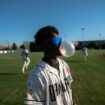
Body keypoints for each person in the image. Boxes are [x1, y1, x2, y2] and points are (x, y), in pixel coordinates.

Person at [24, 25, 74, 105]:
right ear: (45, 45)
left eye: (60, 39)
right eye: (57, 40)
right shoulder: (37, 76)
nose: (61, 43)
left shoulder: (64, 64)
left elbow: (69, 90)